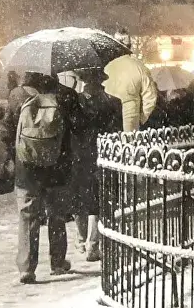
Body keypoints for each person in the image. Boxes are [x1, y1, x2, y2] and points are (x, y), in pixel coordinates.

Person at [9, 71, 84, 284]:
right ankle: (57, 262)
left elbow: (7, 128)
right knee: (56, 215)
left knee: (27, 217)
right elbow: (80, 128)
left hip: (27, 170)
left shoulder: (20, 100)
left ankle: (26, 267)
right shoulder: (66, 99)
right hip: (57, 168)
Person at [66, 69, 122, 258]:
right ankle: (93, 243)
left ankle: (81, 240)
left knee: (79, 200)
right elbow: (117, 134)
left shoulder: (74, 103)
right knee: (97, 201)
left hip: (79, 156)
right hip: (101, 155)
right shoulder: (113, 102)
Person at [102, 52, 160, 134]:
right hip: (131, 114)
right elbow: (150, 97)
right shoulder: (140, 67)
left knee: (110, 142)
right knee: (129, 140)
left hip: (109, 114)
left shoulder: (109, 67)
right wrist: (142, 118)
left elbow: (102, 87)